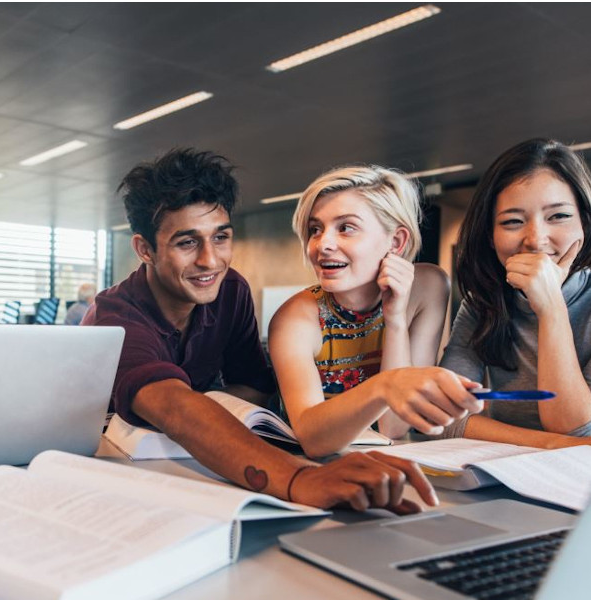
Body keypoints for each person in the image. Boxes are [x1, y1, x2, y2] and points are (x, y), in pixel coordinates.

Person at [84, 148, 440, 512]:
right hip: (110, 468)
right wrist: (299, 478)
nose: (210, 260)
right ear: (145, 250)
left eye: (220, 237)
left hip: (190, 462)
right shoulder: (116, 313)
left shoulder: (229, 291)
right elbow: (172, 405)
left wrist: (204, 407)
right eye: (187, 242)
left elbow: (253, 388)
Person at [268, 166, 483, 457]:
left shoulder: (428, 287)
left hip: (387, 457)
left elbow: (396, 426)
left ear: (396, 242)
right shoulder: (295, 319)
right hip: (311, 463)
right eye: (315, 229)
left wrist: (395, 319)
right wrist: (385, 386)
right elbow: (313, 440)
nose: (322, 244)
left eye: (346, 227)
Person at [440, 138, 591, 448]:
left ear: (585, 224)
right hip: (507, 468)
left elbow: (576, 429)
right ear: (491, 237)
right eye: (512, 221)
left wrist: (550, 307)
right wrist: (547, 444)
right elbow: (444, 416)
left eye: (558, 216)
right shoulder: (482, 302)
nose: (535, 240)